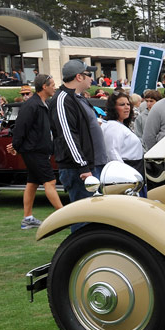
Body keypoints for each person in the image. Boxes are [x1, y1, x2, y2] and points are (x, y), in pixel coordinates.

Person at [50, 60, 107, 226]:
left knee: (96, 218)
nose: (92, 79)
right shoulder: (62, 99)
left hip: (90, 165)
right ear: (79, 77)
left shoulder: (76, 98)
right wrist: (83, 166)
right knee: (83, 219)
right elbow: (67, 136)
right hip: (80, 169)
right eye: (89, 75)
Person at [6, 74, 63, 229]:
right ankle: (64, 216)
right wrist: (16, 146)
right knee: (50, 182)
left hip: (38, 150)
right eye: (52, 84)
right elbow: (21, 128)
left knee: (32, 183)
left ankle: (27, 218)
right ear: (44, 86)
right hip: (34, 151)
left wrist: (16, 146)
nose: (54, 87)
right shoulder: (31, 105)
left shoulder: (43, 104)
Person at [100, 90, 145, 179]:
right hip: (127, 170)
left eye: (128, 104)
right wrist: (124, 174)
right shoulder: (113, 126)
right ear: (113, 108)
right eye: (122, 105)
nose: (127, 107)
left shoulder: (119, 125)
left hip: (134, 168)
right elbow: (112, 152)